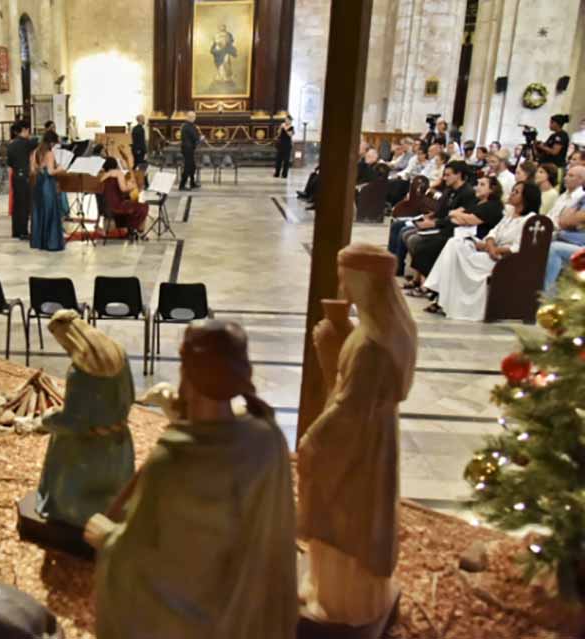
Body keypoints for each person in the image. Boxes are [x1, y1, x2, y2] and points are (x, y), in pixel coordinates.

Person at [85, 320, 297, 639]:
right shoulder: (269, 440)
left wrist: (105, 537)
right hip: (250, 621)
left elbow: (137, 557)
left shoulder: (173, 460)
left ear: (188, 375)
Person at [298, 244, 416, 627]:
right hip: (373, 439)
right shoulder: (383, 333)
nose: (342, 286)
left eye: (346, 278)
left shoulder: (370, 346)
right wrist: (334, 349)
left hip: (358, 446)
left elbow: (348, 409)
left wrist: (313, 440)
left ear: (365, 282)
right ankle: (331, 589)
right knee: (359, 515)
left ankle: (341, 602)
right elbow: (354, 388)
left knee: (346, 517)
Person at [36, 310, 135, 528]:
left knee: (59, 440)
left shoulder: (79, 372)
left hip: (88, 453)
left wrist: (48, 419)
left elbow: (74, 422)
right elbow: (131, 397)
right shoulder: (120, 354)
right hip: (120, 444)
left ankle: (67, 505)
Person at [424, 182, 541, 320]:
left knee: (459, 259)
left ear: (526, 197)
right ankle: (442, 297)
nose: (511, 194)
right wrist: (489, 246)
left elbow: (517, 248)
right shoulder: (510, 214)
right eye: (513, 190)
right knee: (454, 243)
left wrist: (494, 249)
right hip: (490, 250)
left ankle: (441, 298)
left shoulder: (530, 220)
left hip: (503, 259)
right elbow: (493, 233)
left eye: (516, 192)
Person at [413, 176, 504, 307]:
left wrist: (459, 215)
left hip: (474, 240)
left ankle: (429, 289)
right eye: (478, 184)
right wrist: (459, 216)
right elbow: (456, 216)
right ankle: (429, 287)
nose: (477, 187)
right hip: (458, 232)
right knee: (424, 242)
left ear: (492, 189)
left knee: (432, 246)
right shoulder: (477, 202)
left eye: (482, 185)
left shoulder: (493, 206)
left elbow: (470, 220)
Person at [405, 161, 479, 288]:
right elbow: (442, 210)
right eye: (444, 175)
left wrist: (434, 223)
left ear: (458, 175)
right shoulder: (449, 190)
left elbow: (455, 217)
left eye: (448, 175)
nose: (445, 178)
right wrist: (431, 216)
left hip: (453, 229)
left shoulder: (468, 193)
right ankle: (417, 277)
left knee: (415, 240)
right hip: (441, 222)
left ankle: (424, 281)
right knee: (406, 233)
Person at [544, 166, 585, 291]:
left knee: (554, 249)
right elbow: (562, 220)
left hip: (580, 245)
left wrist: (574, 218)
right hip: (565, 238)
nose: (565, 178)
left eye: (571, 175)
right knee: (537, 243)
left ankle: (547, 297)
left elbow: (571, 220)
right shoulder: (582, 198)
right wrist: (574, 219)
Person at [30, 130, 65, 251]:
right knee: (50, 211)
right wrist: (60, 168)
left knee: (39, 211)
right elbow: (50, 172)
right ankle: (51, 242)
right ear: (51, 142)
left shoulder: (35, 152)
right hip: (47, 184)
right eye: (54, 143)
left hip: (38, 183)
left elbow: (33, 170)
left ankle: (39, 242)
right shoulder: (49, 153)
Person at [100, 157, 148, 237]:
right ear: (115, 164)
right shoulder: (118, 173)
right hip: (118, 205)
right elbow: (123, 188)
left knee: (133, 204)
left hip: (107, 206)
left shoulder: (104, 175)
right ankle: (136, 229)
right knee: (143, 207)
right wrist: (132, 186)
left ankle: (131, 229)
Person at [7, 122, 37, 239]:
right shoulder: (27, 143)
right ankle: (23, 232)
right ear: (24, 129)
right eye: (28, 130)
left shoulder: (11, 144)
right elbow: (39, 144)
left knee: (17, 204)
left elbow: (9, 163)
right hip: (25, 176)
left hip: (15, 175)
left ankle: (16, 231)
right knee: (25, 205)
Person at [179, 111, 201, 191]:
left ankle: (192, 183)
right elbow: (195, 136)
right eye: (193, 117)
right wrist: (200, 138)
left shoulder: (188, 125)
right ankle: (182, 185)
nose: (194, 118)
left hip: (189, 149)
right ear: (190, 117)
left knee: (192, 166)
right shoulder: (188, 126)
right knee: (188, 167)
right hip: (187, 149)